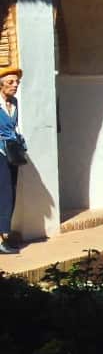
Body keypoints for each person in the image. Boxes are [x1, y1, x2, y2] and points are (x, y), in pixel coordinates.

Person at [0, 64, 25, 253]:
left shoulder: (14, 103)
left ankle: (4, 235)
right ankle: (1, 239)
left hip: (12, 153)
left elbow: (13, 127)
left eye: (16, 82)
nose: (15, 85)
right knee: (5, 194)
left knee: (12, 193)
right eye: (10, 82)